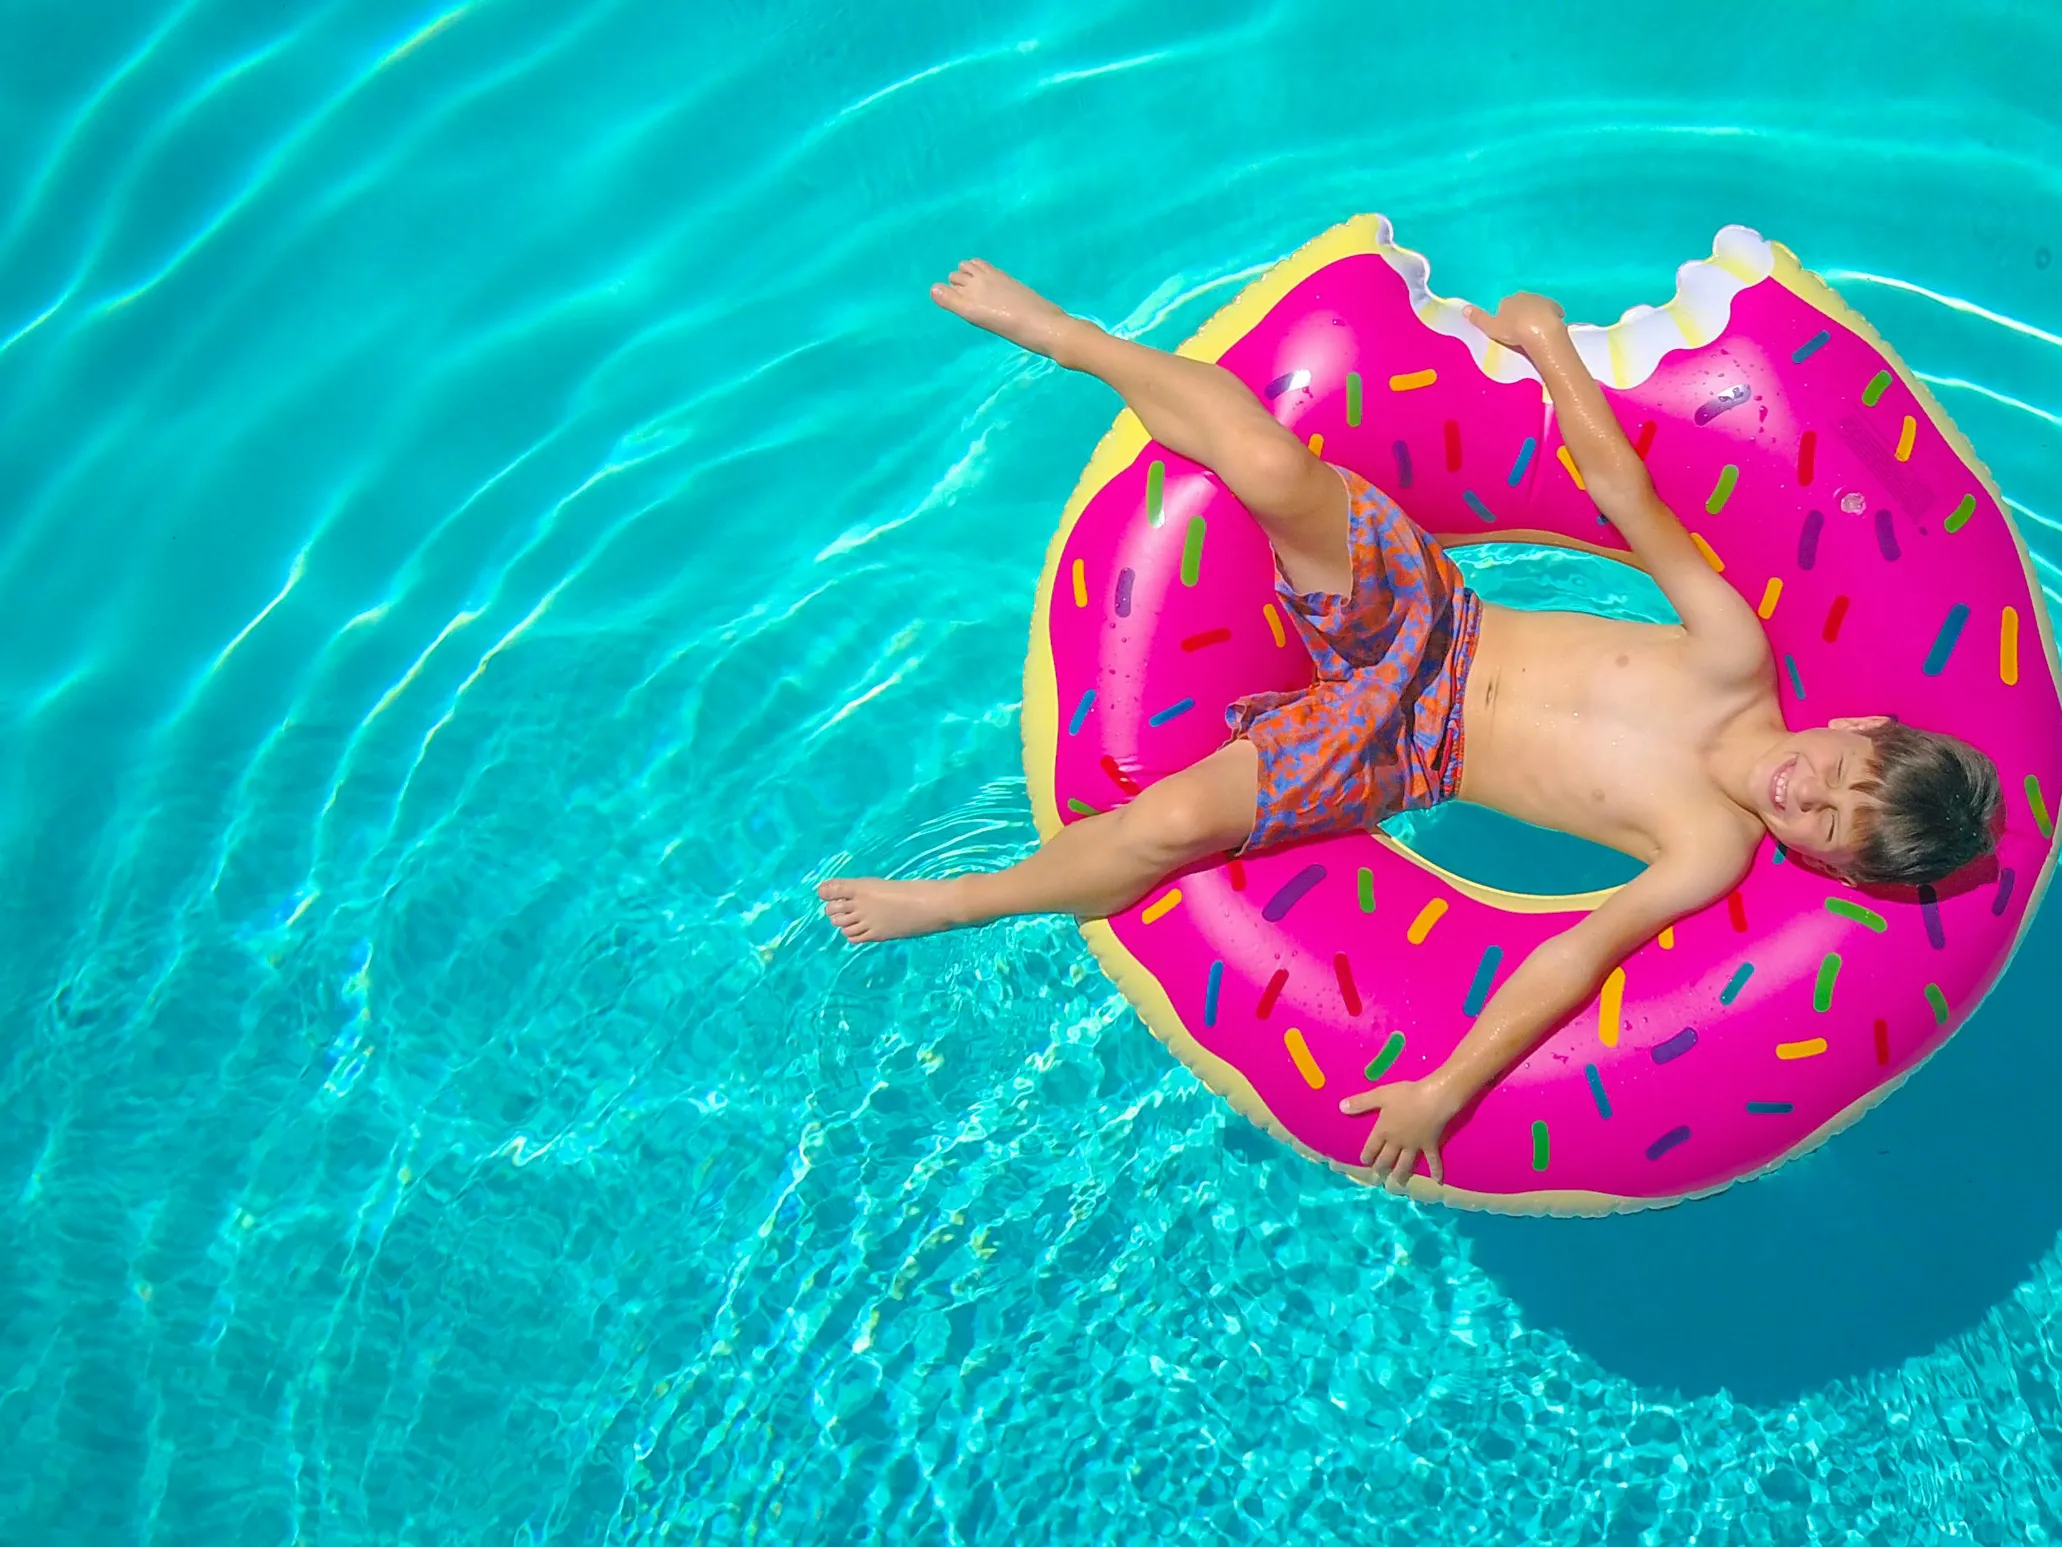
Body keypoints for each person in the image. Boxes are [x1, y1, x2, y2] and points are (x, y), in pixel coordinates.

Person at [819, 259, 2002, 1191]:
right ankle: (1070, 338)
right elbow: (1626, 497)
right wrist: (1549, 352)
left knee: (1174, 819)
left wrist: (1447, 1085)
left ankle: (960, 898)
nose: (1810, 791)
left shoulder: (1708, 848)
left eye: (1831, 826)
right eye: (1844, 770)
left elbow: (1574, 957)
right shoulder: (1736, 657)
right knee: (1272, 464)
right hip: (1437, 620)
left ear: (1821, 865)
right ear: (1855, 719)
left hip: (1399, 751)